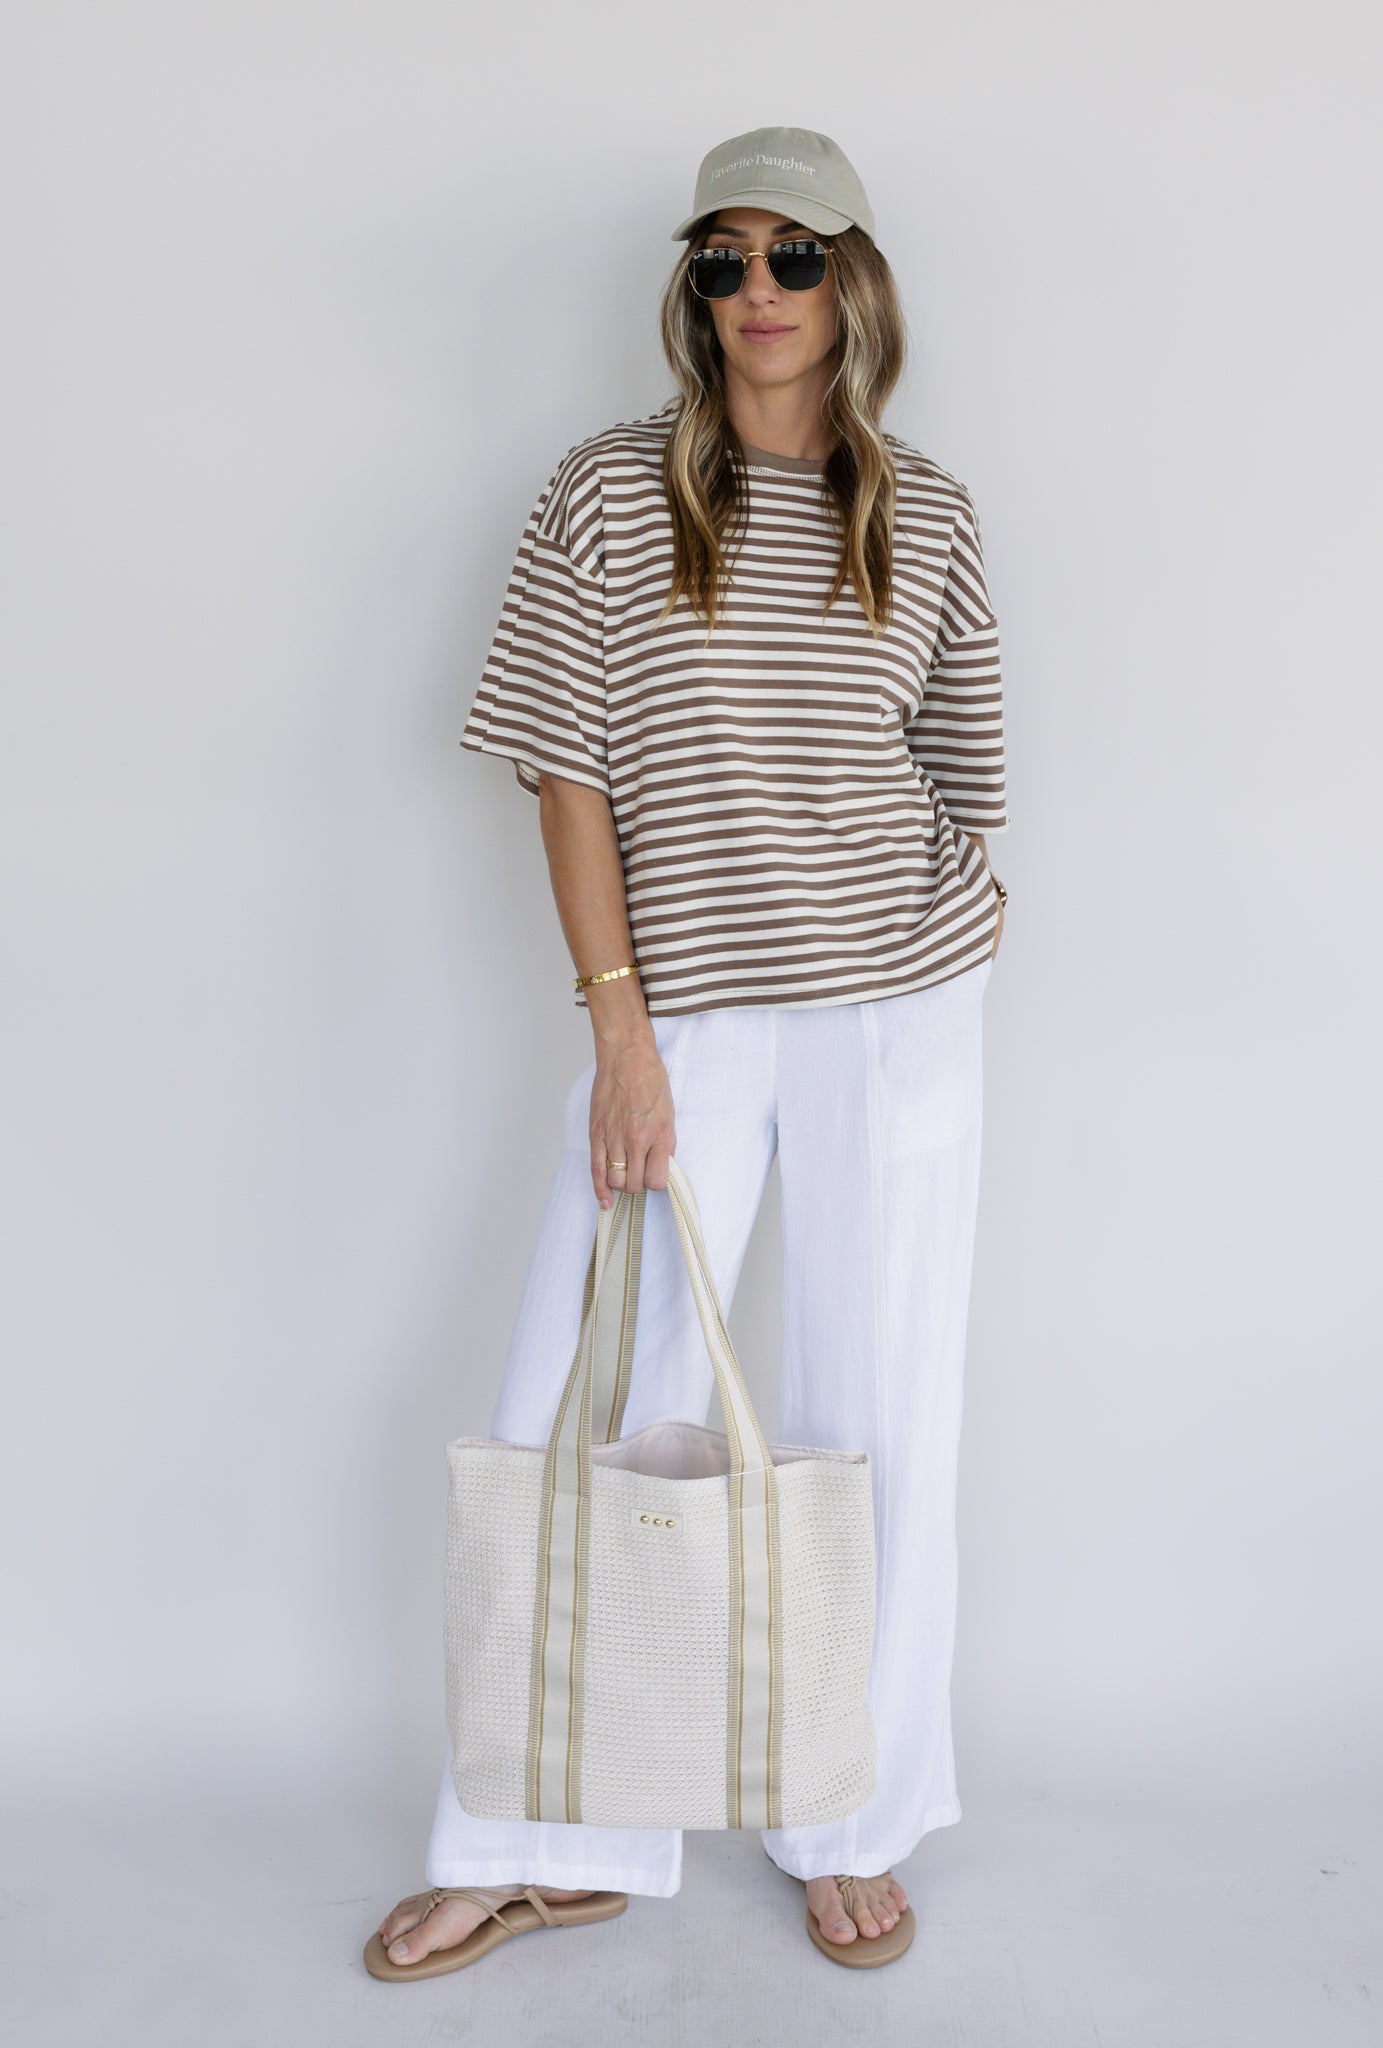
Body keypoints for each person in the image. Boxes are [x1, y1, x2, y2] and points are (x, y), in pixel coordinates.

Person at [366, 123, 1009, 1980]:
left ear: (853, 281)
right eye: (723, 260)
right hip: (688, 1010)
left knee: (883, 1413)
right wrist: (621, 1027)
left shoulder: (930, 512)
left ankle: (850, 1818)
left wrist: (941, 925)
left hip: (897, 1002)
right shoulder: (604, 492)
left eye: (794, 256)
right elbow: (564, 770)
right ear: (693, 290)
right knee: (592, 1391)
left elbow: (968, 777)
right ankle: (536, 1835)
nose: (758, 291)